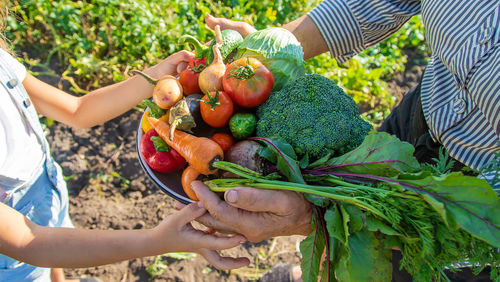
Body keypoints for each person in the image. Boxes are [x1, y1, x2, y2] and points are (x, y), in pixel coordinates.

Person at [183, 0, 499, 279]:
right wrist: (273, 54)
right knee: (346, 247)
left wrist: (316, 213)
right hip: (426, 109)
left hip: (483, 197)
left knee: (408, 264)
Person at [0, 4, 249, 281]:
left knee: (57, 238)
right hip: (13, 254)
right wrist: (156, 240)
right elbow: (30, 244)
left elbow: (77, 110)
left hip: (45, 183)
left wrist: (158, 75)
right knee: (36, 269)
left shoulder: (2, 64)